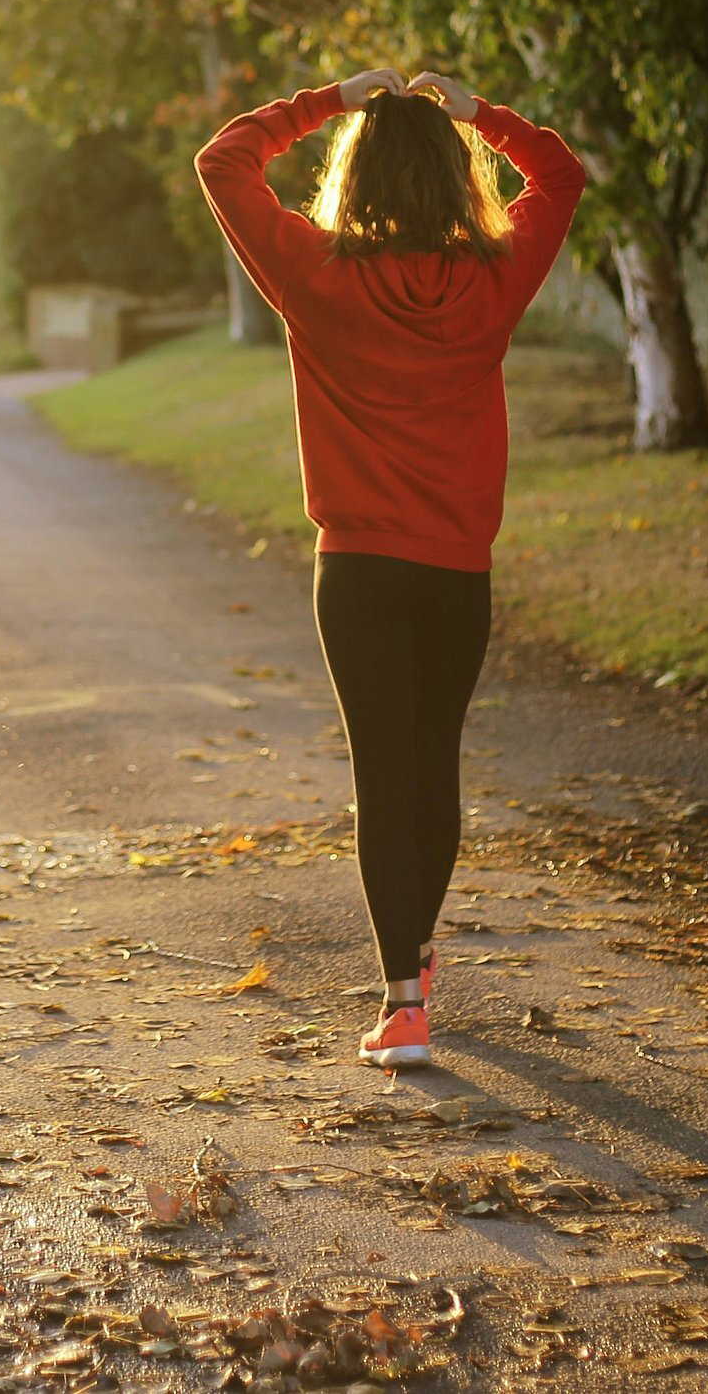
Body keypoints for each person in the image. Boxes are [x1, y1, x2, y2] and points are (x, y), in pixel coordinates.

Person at [193, 65, 588, 1070]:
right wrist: (480, 114)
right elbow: (561, 174)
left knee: (382, 772)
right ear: (457, 177)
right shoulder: (494, 277)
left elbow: (224, 161)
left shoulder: (315, 273)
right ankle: (412, 959)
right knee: (433, 763)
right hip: (457, 570)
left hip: (359, 570)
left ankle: (404, 1001)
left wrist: (329, 100)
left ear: (356, 176)